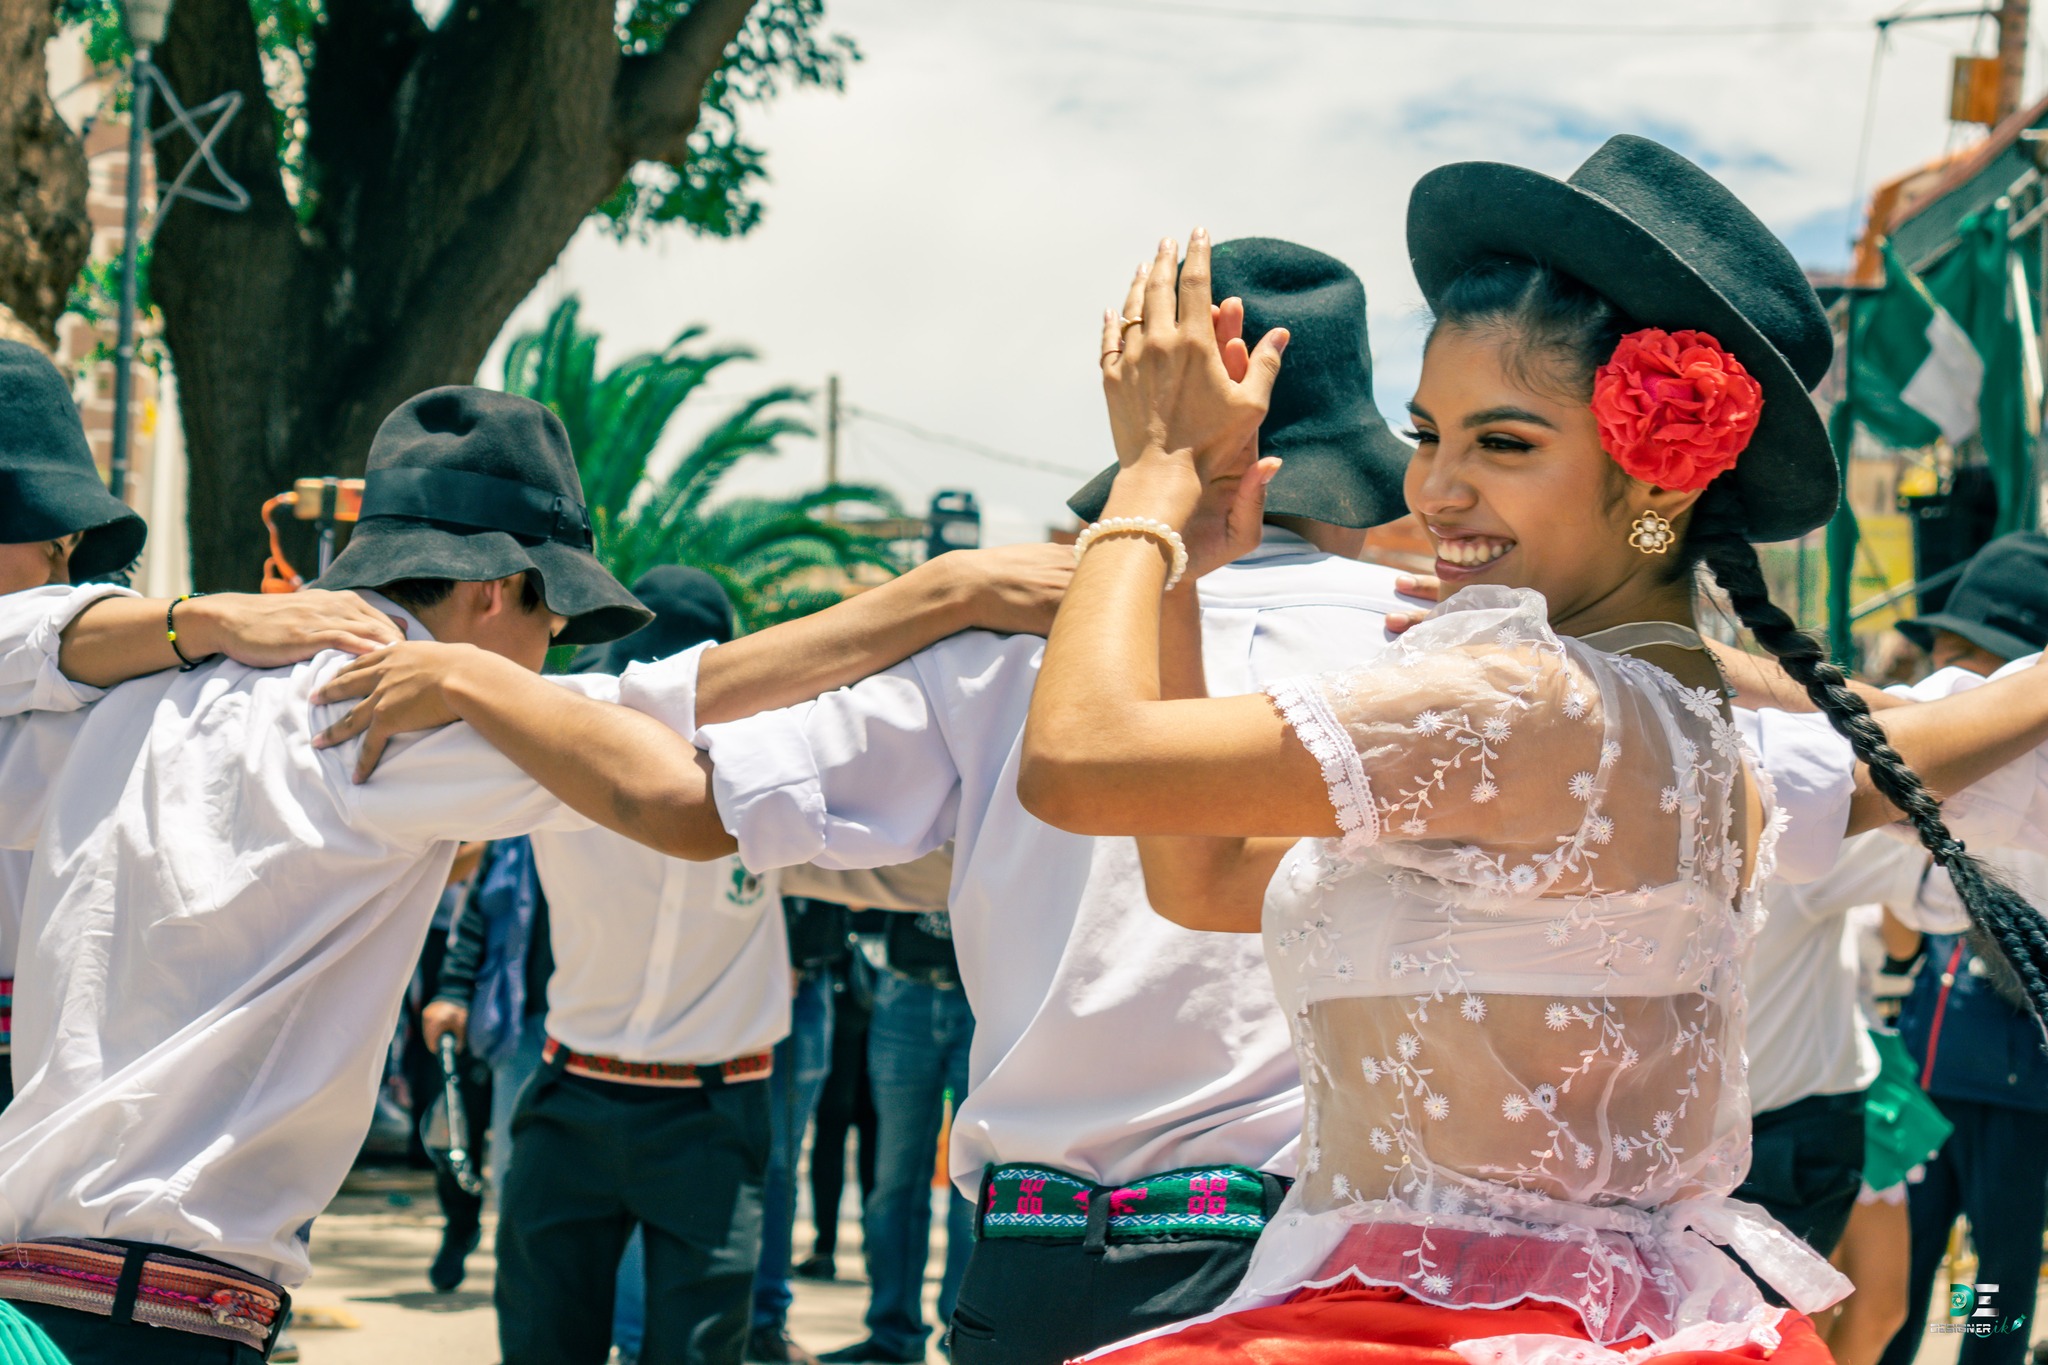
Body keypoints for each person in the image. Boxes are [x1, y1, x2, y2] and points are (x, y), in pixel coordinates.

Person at [1014, 138, 2048, 1365]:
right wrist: (1184, 565)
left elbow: (1075, 760)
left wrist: (1146, 486)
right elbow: (1199, 879)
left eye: (1502, 444)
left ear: (1655, 475)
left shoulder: (1530, 703)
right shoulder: (1684, 725)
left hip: (1447, 1325)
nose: (1436, 487)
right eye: (1427, 432)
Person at [313, 237, 1421, 1365]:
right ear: (1351, 467)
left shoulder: (1010, 653)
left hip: (1041, 1274)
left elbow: (692, 798)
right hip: (1325, 1277)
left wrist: (470, 680)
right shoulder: (1445, 654)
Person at [0, 384, 1063, 1364]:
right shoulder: (387, 709)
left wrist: (184, 621)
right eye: (555, 622)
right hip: (155, 1314)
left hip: (35, 1291)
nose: (555, 657)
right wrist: (942, 593)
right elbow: (677, 737)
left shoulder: (125, 701)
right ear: (503, 590)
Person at [0, 338, 146, 1110]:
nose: (66, 582)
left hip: (39, 1065)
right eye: (52, 550)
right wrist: (202, 624)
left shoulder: (70, 691)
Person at [820, 912, 976, 1364]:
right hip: (903, 990)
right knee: (892, 1185)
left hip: (986, 996)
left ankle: (964, 1338)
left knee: (976, 1190)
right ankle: (891, 1336)